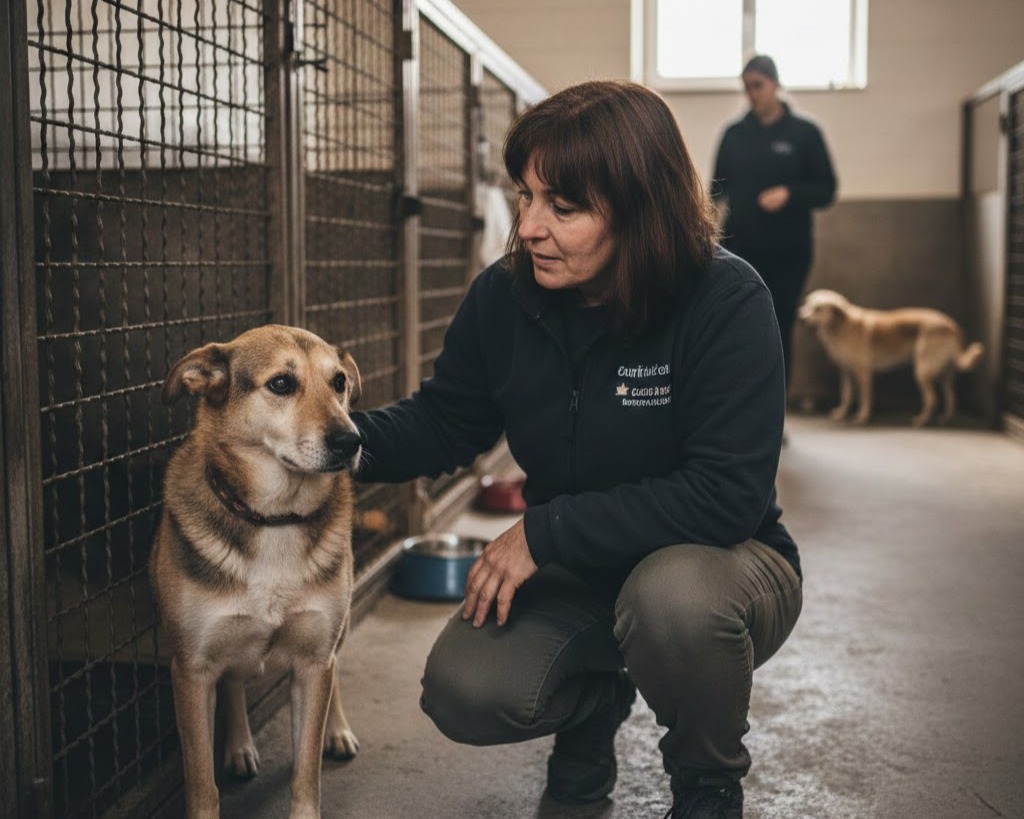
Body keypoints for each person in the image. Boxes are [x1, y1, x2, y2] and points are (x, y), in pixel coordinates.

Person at [352, 80, 803, 819]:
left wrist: (545, 530)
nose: (528, 227)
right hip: (583, 572)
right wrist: (335, 442)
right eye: (525, 197)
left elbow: (726, 496)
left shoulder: (725, 300)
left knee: (673, 599)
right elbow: (445, 421)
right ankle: (594, 715)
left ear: (640, 209)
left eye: (563, 207)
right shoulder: (506, 297)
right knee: (465, 689)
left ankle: (706, 783)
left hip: (725, 561)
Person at [712, 54, 837, 388]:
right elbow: (715, 190)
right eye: (747, 87)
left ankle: (776, 412)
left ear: (776, 85)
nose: (752, 94)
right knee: (737, 327)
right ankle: (736, 407)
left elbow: (827, 189)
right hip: (741, 249)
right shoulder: (734, 135)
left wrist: (790, 194)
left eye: (758, 86)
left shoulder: (804, 133)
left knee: (778, 327)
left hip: (788, 252)